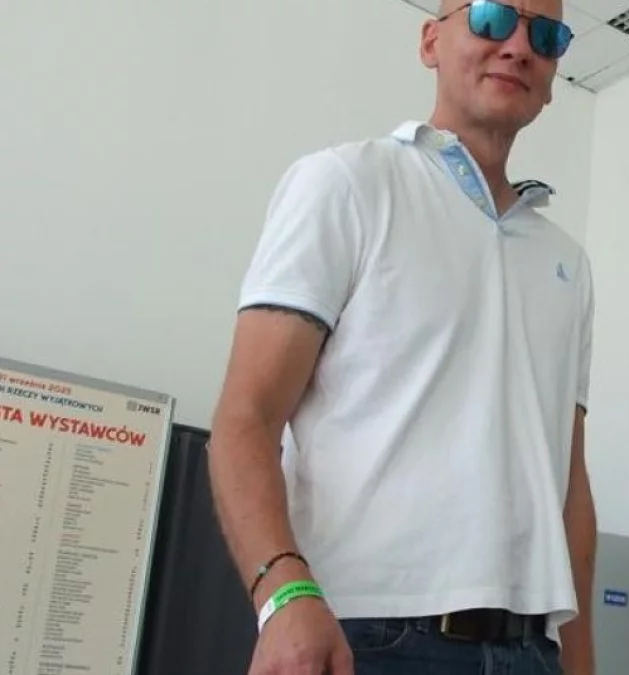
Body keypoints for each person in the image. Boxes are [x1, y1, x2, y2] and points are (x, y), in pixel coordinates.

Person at [205, 0, 596, 673]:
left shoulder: (568, 262)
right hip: (368, 635)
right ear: (430, 42)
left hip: (533, 651)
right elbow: (246, 416)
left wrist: (580, 662)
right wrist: (282, 594)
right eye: (492, 18)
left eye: (545, 34)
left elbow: (570, 489)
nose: (518, 46)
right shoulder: (347, 184)